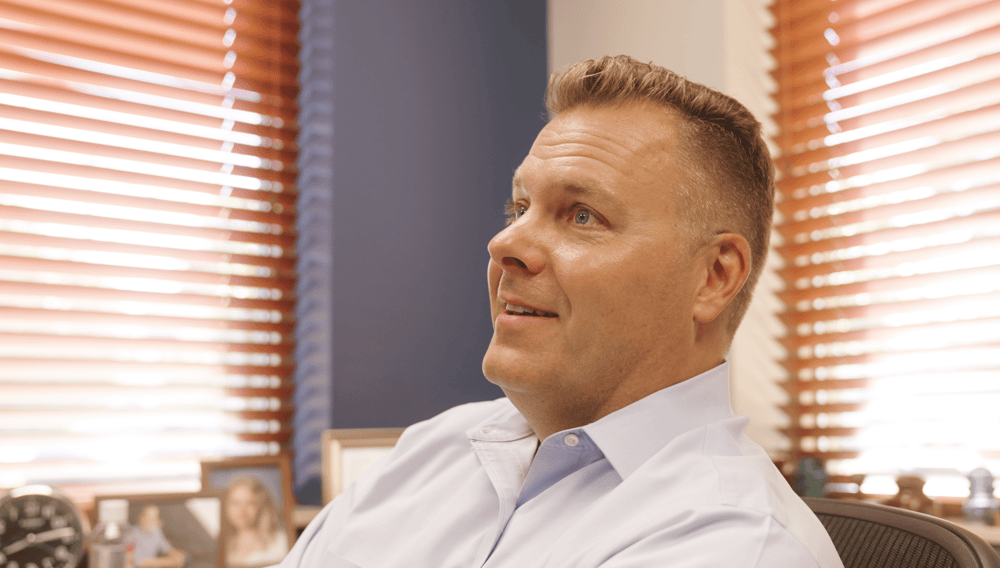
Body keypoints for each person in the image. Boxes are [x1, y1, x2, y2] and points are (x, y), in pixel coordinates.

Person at [277, 55, 844, 567]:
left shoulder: (734, 543)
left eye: (582, 216)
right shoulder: (436, 447)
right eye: (518, 207)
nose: (505, 244)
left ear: (714, 277)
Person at [223, 476, 289, 567]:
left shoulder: (281, 541)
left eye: (250, 503)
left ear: (261, 506)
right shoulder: (220, 545)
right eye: (235, 503)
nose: (241, 510)